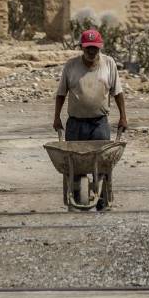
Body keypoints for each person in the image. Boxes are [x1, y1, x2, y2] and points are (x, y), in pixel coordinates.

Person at [53, 28, 127, 210]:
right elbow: (61, 93)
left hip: (99, 122)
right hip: (75, 124)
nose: (91, 52)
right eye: (88, 48)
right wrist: (56, 118)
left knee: (103, 166)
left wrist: (123, 117)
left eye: (95, 48)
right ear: (82, 48)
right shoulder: (71, 66)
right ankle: (76, 199)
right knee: (75, 167)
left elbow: (117, 92)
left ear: (99, 47)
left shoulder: (109, 64)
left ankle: (103, 200)